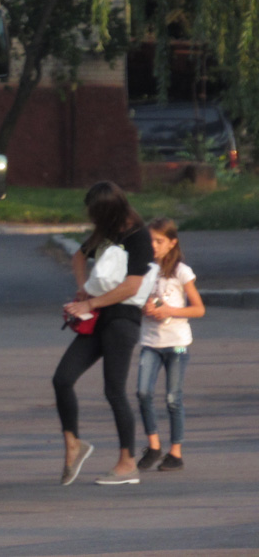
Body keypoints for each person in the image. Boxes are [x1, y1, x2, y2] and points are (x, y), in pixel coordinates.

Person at [53, 181, 155, 486]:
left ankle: (127, 463)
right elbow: (78, 257)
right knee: (62, 379)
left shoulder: (139, 236)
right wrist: (83, 289)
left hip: (122, 320)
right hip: (98, 318)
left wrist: (92, 300)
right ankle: (74, 443)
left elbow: (132, 286)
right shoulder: (107, 233)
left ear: (108, 211)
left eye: (95, 213)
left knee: (114, 391)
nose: (92, 219)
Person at [136, 217, 205, 473]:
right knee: (143, 392)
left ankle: (175, 453)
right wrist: (142, 307)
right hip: (150, 342)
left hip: (177, 345)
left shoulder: (181, 271)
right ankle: (154, 446)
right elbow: (135, 299)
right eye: (150, 240)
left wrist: (169, 310)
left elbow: (199, 309)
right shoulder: (144, 269)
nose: (153, 245)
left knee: (173, 398)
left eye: (159, 241)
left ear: (172, 242)